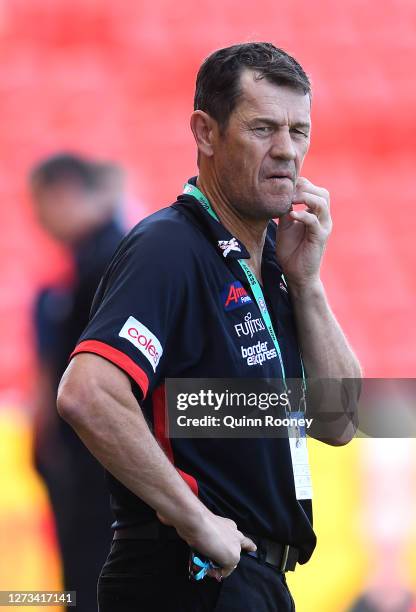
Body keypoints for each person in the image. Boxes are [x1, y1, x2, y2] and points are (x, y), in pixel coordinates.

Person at [57, 43, 362, 611]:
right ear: (205, 132)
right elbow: (88, 392)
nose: (286, 152)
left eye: (299, 132)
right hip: (191, 575)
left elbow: (339, 420)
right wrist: (195, 519)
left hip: (252, 579)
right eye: (263, 128)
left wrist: (308, 284)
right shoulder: (170, 247)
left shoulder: (272, 265)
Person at [31, 153, 125, 612]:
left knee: (90, 582)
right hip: (93, 458)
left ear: (63, 192)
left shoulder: (105, 263)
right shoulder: (84, 266)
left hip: (97, 462)